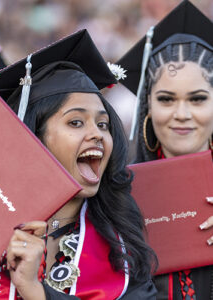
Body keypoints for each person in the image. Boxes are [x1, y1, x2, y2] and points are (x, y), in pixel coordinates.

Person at [0, 30, 157, 299]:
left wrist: (34, 290)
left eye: (103, 125)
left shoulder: (121, 252)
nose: (97, 134)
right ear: (32, 136)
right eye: (76, 122)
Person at [117, 1, 213, 299]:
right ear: (147, 106)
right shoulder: (116, 197)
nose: (181, 113)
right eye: (167, 99)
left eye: (197, 99)